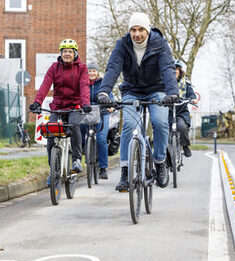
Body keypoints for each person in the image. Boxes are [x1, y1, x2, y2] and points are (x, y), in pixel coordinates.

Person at [97, 12, 179, 191]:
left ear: (147, 30)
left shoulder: (160, 44)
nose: (137, 34)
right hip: (132, 91)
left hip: (157, 90)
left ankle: (159, 162)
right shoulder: (122, 45)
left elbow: (167, 68)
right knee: (128, 125)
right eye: (133, 30)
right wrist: (104, 91)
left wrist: (172, 92)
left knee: (160, 121)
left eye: (141, 29)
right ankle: (126, 172)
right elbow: (113, 68)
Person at [30, 39, 91, 186]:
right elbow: (45, 84)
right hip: (58, 106)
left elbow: (84, 86)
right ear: (61, 53)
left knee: (74, 125)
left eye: (70, 51)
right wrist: (37, 102)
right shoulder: (54, 67)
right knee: (50, 130)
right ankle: (54, 170)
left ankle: (76, 159)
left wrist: (85, 104)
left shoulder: (81, 68)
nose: (67, 54)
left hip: (75, 106)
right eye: (64, 51)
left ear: (75, 53)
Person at [80, 62, 114, 180]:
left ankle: (103, 168)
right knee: (79, 133)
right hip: (86, 113)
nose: (92, 73)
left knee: (101, 139)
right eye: (90, 71)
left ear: (97, 72)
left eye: (94, 71)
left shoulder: (103, 83)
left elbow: (110, 97)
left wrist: (111, 106)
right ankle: (83, 152)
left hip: (102, 113)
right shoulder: (83, 83)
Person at [173, 59, 196, 157]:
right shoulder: (163, 82)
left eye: (176, 69)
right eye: (172, 69)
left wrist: (193, 99)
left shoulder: (185, 82)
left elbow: (191, 93)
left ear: (179, 70)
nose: (174, 71)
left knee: (181, 126)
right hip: (166, 111)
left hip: (180, 111)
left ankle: (185, 146)